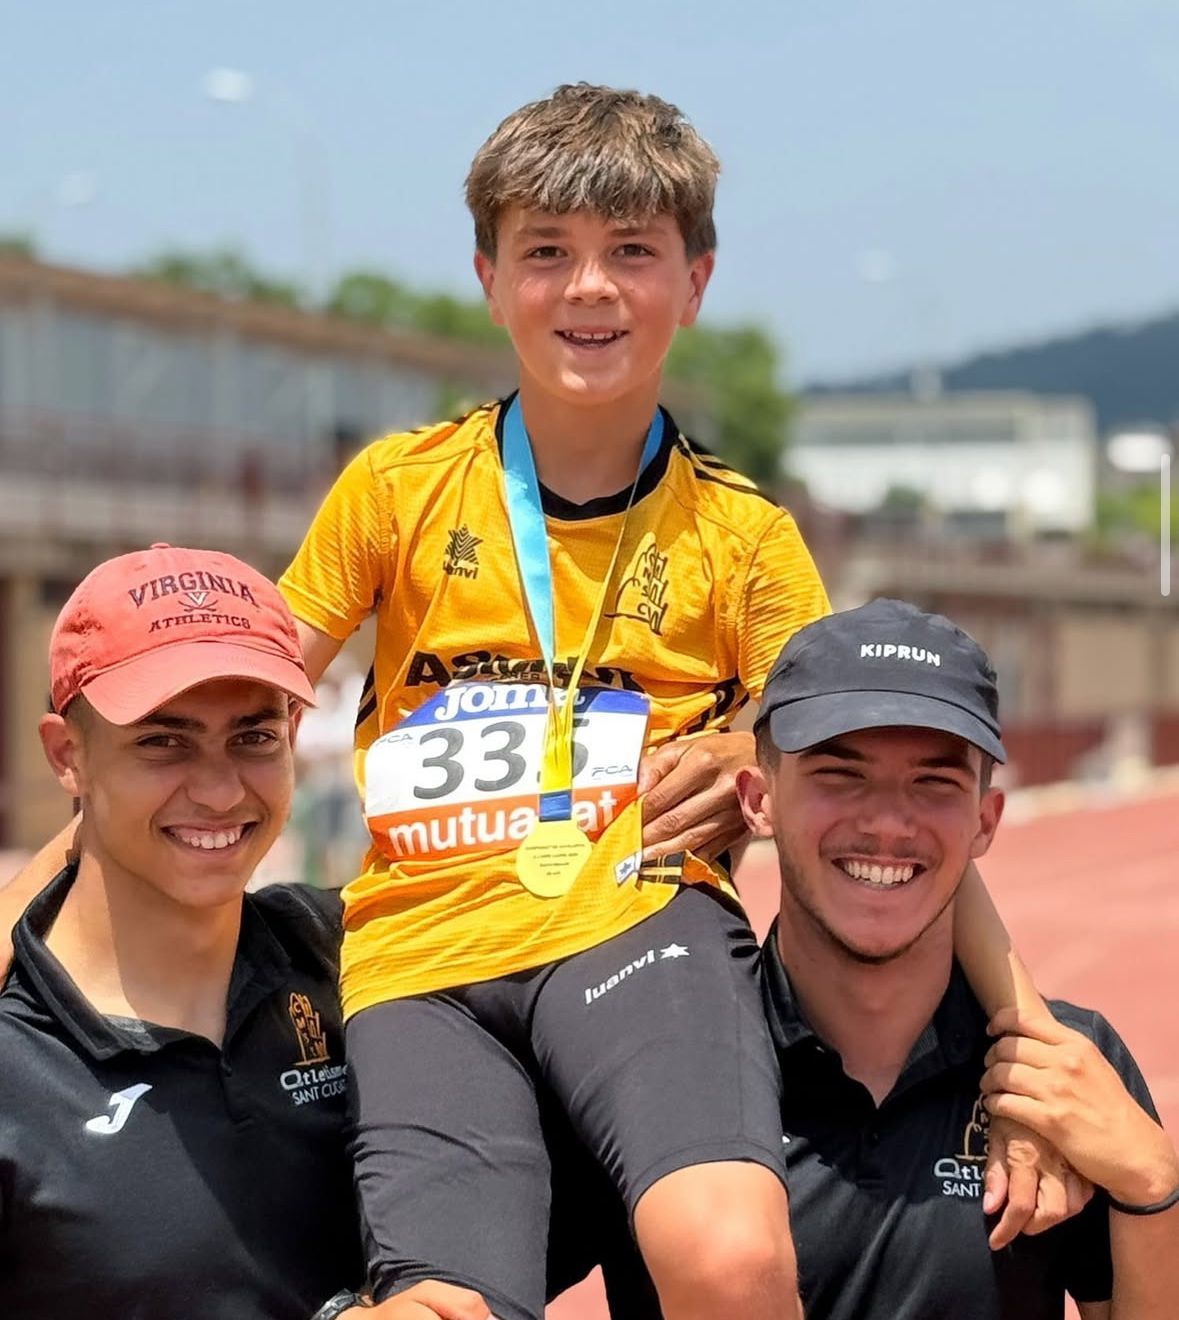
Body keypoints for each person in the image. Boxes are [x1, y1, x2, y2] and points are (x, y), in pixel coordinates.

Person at [276, 82, 1066, 1320]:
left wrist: (1031, 1045)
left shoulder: (744, 539)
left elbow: (875, 787)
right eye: (547, 252)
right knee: (443, 1311)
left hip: (638, 932)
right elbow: (235, 701)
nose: (589, 287)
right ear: (489, 275)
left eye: (631, 252)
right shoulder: (394, 491)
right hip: (420, 963)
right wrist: (35, 896)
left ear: (694, 281)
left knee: (730, 1259)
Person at [0, 544, 490, 1320]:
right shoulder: (17, 1067)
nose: (221, 790)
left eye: (253, 737)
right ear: (68, 755)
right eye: (163, 741)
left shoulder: (353, 953)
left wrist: (750, 757)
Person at [728, 598, 1179, 1317]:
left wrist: (1152, 1182)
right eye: (840, 775)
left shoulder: (1068, 1068)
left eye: (933, 782)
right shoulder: (676, 1062)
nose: (885, 822)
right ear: (758, 800)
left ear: (985, 820)